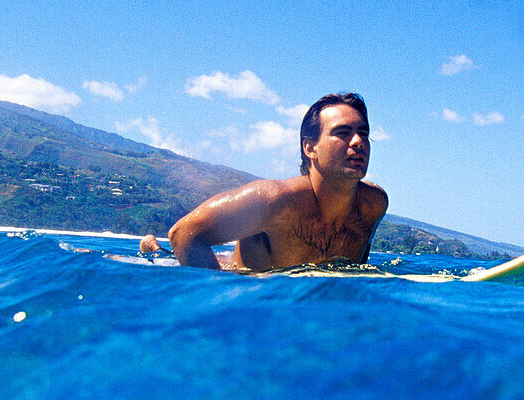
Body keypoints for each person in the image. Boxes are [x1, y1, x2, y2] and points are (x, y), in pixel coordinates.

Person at [141, 92, 388, 272]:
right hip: (238, 274)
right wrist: (221, 301)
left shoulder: (373, 205)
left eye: (363, 133)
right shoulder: (275, 201)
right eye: (342, 133)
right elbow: (183, 234)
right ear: (310, 148)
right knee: (168, 258)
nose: (358, 141)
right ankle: (155, 252)